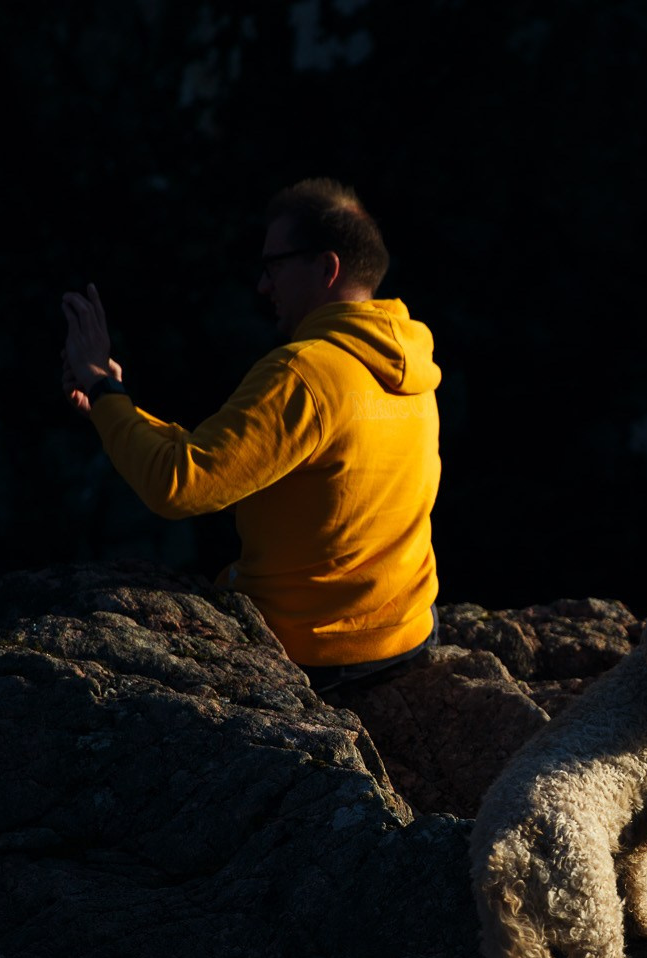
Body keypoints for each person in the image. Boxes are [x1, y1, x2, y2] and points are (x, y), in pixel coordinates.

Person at [60, 178, 443, 694]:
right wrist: (111, 405)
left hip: (323, 653)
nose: (264, 286)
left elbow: (179, 486)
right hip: (409, 630)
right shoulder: (410, 364)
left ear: (326, 268)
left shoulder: (304, 373)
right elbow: (218, 457)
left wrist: (103, 388)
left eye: (274, 266)